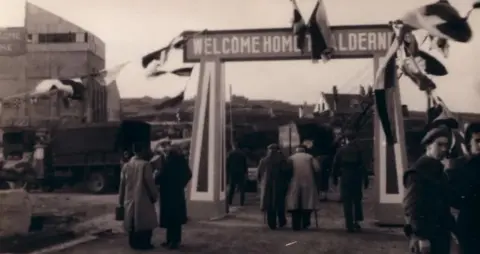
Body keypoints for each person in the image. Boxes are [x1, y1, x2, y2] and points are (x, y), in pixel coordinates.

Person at [403, 126, 456, 254]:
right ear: (428, 145)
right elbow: (411, 207)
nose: (444, 149)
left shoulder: (439, 171)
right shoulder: (417, 172)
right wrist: (420, 236)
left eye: (446, 145)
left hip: (440, 234)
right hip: (426, 237)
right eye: (439, 144)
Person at [445, 123, 480, 254]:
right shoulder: (458, 166)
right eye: (478, 141)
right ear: (468, 143)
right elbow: (450, 198)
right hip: (469, 227)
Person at [118, 142, 158, 250]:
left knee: (132, 222)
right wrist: (154, 196)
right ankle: (145, 244)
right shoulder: (145, 165)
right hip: (143, 198)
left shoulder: (126, 166)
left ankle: (133, 243)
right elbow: (149, 182)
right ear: (142, 151)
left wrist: (120, 201)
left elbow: (122, 185)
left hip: (129, 199)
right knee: (144, 223)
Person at [154, 141, 192, 250]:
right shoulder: (181, 161)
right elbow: (189, 174)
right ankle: (175, 240)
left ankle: (171, 241)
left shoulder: (167, 163)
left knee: (170, 218)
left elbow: (160, 177)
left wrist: (156, 176)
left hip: (167, 193)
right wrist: (181, 184)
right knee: (176, 219)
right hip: (177, 192)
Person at [332, 133, 369, 233]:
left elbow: (335, 164)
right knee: (357, 200)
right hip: (357, 176)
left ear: (347, 139)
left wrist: (334, 178)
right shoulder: (359, 150)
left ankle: (349, 224)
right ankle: (356, 221)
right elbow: (364, 165)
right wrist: (366, 179)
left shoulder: (341, 150)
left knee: (347, 201)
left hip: (345, 176)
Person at [285, 145, 320, 231]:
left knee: (295, 203)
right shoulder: (310, 157)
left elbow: (286, 170)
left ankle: (295, 225)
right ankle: (305, 223)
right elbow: (317, 169)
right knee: (307, 203)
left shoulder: (291, 158)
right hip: (308, 182)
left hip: (294, 182)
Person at [257, 144, 289, 230]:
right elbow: (286, 171)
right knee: (280, 204)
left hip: (267, 185)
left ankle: (271, 223)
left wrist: (261, 183)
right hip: (280, 185)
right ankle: (281, 221)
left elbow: (259, 174)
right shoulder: (282, 160)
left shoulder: (263, 160)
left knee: (269, 204)